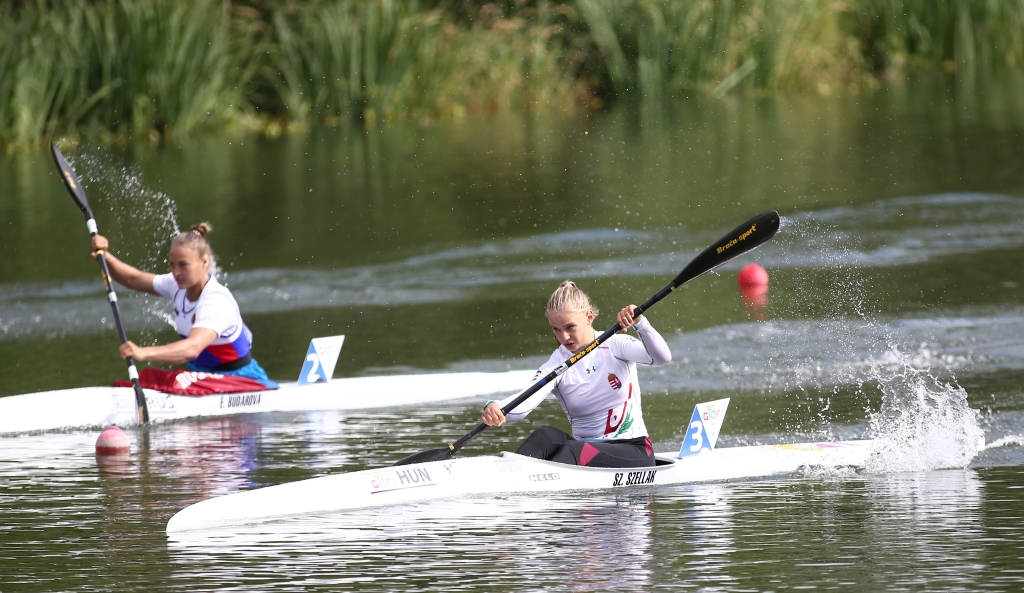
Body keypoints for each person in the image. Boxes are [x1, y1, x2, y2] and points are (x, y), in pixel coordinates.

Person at [482, 280, 671, 467]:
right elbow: (524, 403)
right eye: (556, 329)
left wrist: (641, 323)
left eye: (570, 327)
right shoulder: (556, 363)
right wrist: (496, 406)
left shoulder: (615, 344)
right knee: (545, 435)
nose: (563, 337)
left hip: (634, 449)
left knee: (574, 450)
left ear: (589, 317)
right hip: (585, 450)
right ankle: (511, 477)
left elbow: (661, 358)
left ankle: (535, 486)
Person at [90, 222, 277, 389]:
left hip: (241, 380)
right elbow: (133, 278)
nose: (176, 272)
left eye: (183, 265)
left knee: (174, 380)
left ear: (204, 262)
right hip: (202, 379)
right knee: (148, 376)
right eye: (172, 265)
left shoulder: (215, 301)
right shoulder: (177, 285)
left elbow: (192, 349)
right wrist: (106, 256)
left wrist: (142, 352)